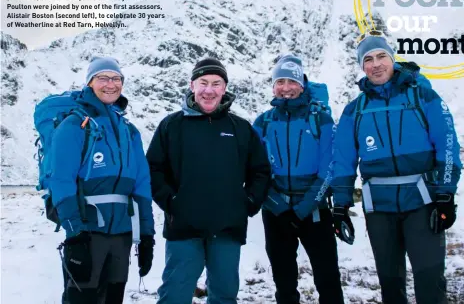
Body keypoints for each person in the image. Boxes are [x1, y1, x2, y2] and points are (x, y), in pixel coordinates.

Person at [331, 33, 462, 304]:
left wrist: (446, 195)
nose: (376, 64)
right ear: (362, 66)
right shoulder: (354, 110)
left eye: (381, 56)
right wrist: (341, 206)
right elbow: (343, 161)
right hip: (379, 209)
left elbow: (447, 146)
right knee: (390, 285)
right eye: (368, 59)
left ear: (392, 59)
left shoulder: (423, 97)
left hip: (423, 202)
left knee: (430, 282)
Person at [146, 57, 271, 304]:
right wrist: (171, 202)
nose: (209, 90)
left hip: (227, 229)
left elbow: (260, 171)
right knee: (175, 294)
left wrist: (246, 203)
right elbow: (153, 169)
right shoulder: (172, 126)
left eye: (216, 83)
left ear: (224, 88)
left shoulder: (240, 128)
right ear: (192, 85)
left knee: (225, 295)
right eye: (203, 83)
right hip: (183, 227)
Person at [49, 56, 156, 304]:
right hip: (88, 232)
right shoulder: (74, 125)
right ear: (89, 83)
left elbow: (142, 187)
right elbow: (61, 181)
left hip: (122, 235)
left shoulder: (130, 131)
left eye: (116, 78)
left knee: (113, 298)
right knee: (81, 297)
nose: (110, 84)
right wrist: (75, 233)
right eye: (103, 78)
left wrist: (147, 235)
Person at [252, 54, 346, 304]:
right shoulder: (263, 122)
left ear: (302, 84)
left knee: (328, 279)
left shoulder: (321, 119)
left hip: (315, 211)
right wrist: (280, 209)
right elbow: (255, 171)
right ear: (273, 86)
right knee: (284, 281)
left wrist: (302, 209)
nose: (285, 88)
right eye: (279, 81)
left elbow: (329, 169)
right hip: (275, 212)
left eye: (291, 82)